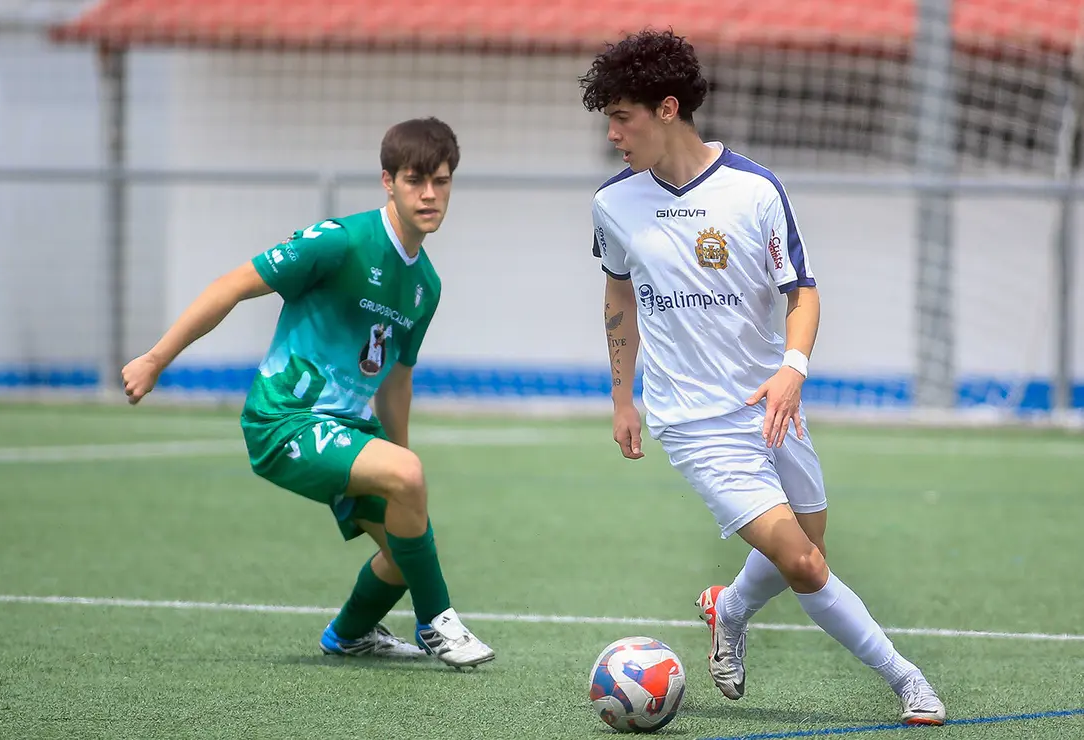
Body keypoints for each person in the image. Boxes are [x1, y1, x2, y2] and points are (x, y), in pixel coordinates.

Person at [579, 30, 945, 725]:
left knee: (809, 549)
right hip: (693, 423)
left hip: (772, 405)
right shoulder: (613, 204)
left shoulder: (754, 189)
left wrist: (791, 371)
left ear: (666, 107)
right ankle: (909, 683)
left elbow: (801, 291)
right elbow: (617, 294)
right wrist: (623, 398)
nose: (613, 134)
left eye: (622, 117)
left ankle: (729, 609)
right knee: (805, 566)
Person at [120, 117, 495, 669]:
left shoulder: (426, 286)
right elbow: (232, 286)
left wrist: (399, 460)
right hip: (284, 419)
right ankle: (438, 623)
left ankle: (349, 635)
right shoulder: (339, 241)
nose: (430, 194)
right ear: (387, 181)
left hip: (347, 427)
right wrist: (156, 359)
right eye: (415, 180)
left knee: (403, 551)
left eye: (441, 181)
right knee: (409, 492)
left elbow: (396, 379)